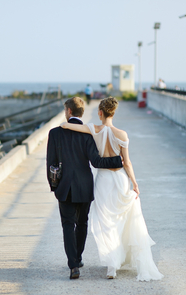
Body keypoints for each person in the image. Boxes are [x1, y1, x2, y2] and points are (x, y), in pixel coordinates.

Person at [61, 97, 164, 281]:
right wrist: (135, 183)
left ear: (100, 112)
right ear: (113, 113)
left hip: (103, 181)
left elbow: (73, 126)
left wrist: (64, 124)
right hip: (120, 179)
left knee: (106, 222)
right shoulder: (122, 135)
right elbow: (127, 162)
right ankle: (114, 264)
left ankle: (111, 265)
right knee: (121, 220)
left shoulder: (94, 129)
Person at [46, 97, 123, 280]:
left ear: (69, 111)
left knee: (67, 224)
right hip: (85, 186)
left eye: (66, 110)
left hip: (64, 187)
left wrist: (54, 186)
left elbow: (51, 163)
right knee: (82, 224)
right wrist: (119, 161)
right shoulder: (88, 133)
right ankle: (78, 257)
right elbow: (96, 162)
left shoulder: (55, 133)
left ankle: (73, 265)